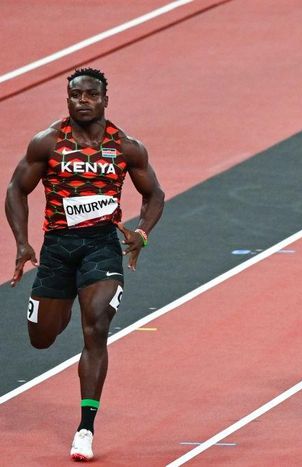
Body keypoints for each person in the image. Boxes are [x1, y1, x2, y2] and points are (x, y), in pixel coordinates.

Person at [5, 68, 165, 461]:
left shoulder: (125, 147)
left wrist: (141, 233)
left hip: (101, 248)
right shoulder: (47, 143)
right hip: (58, 248)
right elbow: (16, 189)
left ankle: (85, 429)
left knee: (96, 327)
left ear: (105, 100)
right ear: (68, 99)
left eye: (91, 94)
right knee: (41, 337)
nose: (83, 101)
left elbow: (154, 193)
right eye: (75, 95)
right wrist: (23, 242)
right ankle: (57, 304)